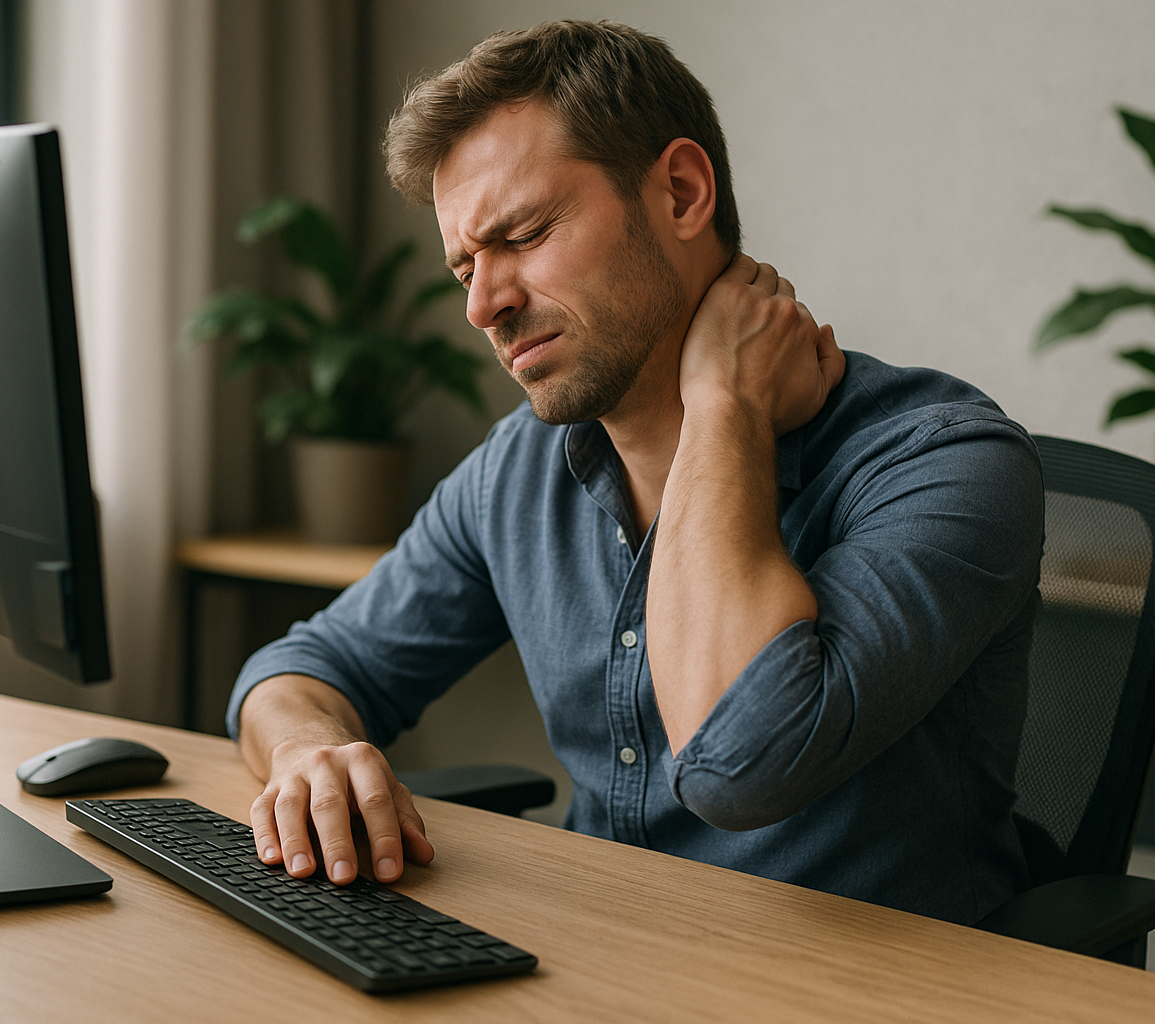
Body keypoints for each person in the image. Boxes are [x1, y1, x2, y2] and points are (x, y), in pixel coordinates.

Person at [227, 20, 1042, 924]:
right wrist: (307, 748)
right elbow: (306, 667)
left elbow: (743, 766)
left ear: (683, 192)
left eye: (525, 234)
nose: (481, 305)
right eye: (465, 265)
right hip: (604, 963)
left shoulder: (945, 461)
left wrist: (724, 407)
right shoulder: (519, 473)